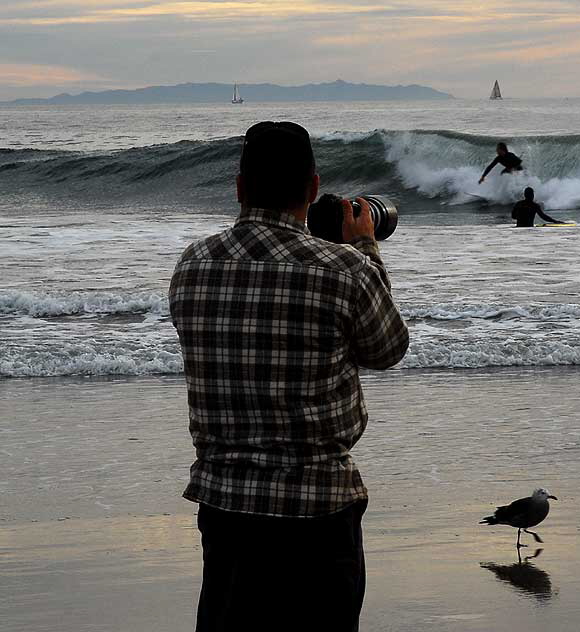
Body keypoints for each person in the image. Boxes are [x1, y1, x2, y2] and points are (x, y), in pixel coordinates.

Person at [169, 121, 409, 632]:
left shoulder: (192, 264)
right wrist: (364, 247)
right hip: (318, 507)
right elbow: (388, 349)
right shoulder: (345, 270)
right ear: (314, 187)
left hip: (225, 503)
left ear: (239, 187)